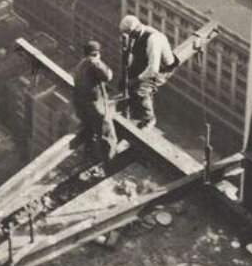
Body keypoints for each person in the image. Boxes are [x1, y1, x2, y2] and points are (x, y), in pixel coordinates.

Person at [119, 14, 179, 129]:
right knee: (124, 81)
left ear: (135, 30)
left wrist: (135, 80)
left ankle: (149, 119)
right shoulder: (138, 33)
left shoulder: (153, 40)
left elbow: (153, 69)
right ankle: (131, 107)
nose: (129, 37)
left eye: (130, 34)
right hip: (147, 62)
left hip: (162, 69)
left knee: (140, 90)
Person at [72, 40, 118, 169]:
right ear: (95, 53)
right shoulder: (94, 62)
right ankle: (110, 162)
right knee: (107, 134)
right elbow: (108, 76)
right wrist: (98, 60)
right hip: (96, 107)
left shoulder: (80, 64)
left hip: (82, 107)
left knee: (91, 133)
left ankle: (92, 158)